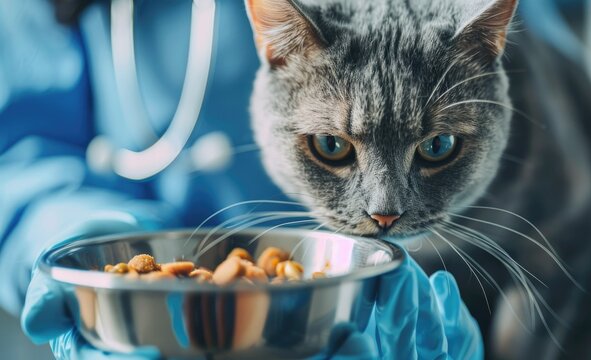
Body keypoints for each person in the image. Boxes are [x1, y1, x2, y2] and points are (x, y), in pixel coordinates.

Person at [0, 0, 484, 358]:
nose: (383, 206)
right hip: (152, 300)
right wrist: (83, 243)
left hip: (373, 309)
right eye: (331, 144)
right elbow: (19, 148)